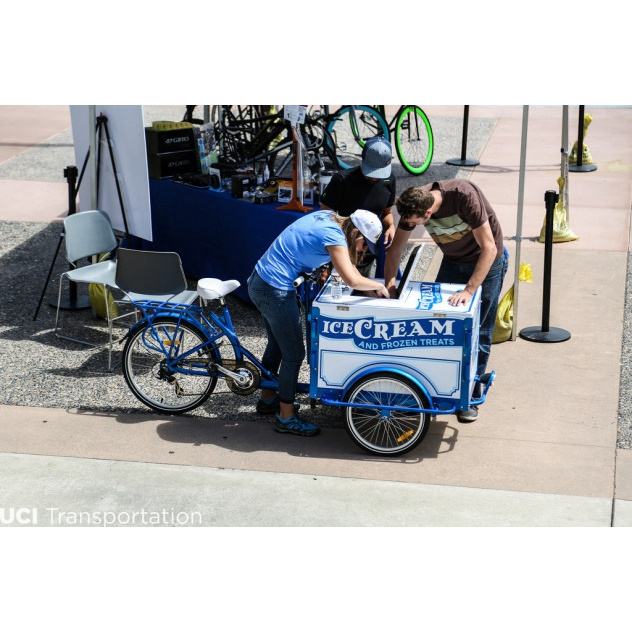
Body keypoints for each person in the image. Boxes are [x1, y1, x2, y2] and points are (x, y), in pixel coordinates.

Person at [248, 209, 390, 437]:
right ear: (355, 232)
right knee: (294, 354)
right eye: (365, 245)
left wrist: (370, 289)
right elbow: (350, 278)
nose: (364, 251)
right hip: (273, 290)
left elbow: (348, 265)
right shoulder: (334, 237)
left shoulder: (330, 217)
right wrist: (379, 286)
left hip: (262, 281)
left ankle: (267, 399)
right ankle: (286, 417)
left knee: (277, 346)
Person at [384, 180, 509, 423]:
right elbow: (395, 250)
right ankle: (437, 389)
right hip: (453, 260)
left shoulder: (463, 197)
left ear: (428, 213)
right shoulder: (414, 202)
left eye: (414, 222)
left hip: (487, 263)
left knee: (478, 333)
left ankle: (469, 396)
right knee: (437, 324)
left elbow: (490, 249)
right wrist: (390, 286)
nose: (409, 225)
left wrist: (469, 290)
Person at [319, 137, 396, 275]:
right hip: (343, 248)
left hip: (370, 248)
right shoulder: (342, 180)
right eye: (371, 172)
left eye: (378, 174)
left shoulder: (389, 180)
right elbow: (323, 216)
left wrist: (390, 226)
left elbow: (387, 213)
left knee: (364, 288)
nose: (374, 178)